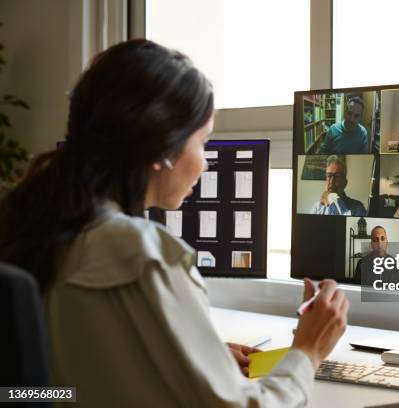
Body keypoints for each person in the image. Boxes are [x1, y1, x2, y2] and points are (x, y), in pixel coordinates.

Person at [0, 39, 348, 407]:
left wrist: (192, 358)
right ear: (161, 151)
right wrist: (307, 351)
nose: (206, 163)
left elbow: (32, 390)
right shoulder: (139, 254)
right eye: (203, 142)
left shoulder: (35, 229)